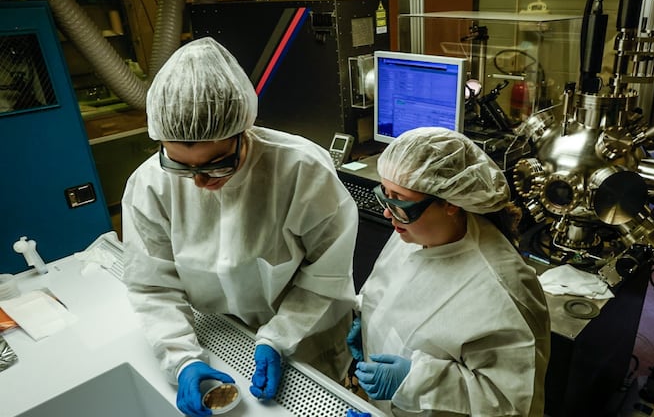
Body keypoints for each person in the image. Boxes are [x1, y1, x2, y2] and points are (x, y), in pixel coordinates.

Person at [121, 37, 358, 417]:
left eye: (217, 163)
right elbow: (153, 286)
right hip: (219, 336)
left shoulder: (300, 170)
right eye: (181, 165)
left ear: (242, 131)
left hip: (305, 339)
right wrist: (181, 357)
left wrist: (280, 337)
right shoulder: (150, 185)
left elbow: (327, 275)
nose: (199, 181)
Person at [347, 127, 551, 416]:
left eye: (399, 201)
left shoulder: (503, 289)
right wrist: (366, 319)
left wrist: (416, 381)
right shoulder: (414, 230)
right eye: (385, 195)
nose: (387, 213)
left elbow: (511, 403)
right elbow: (392, 286)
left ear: (450, 203)